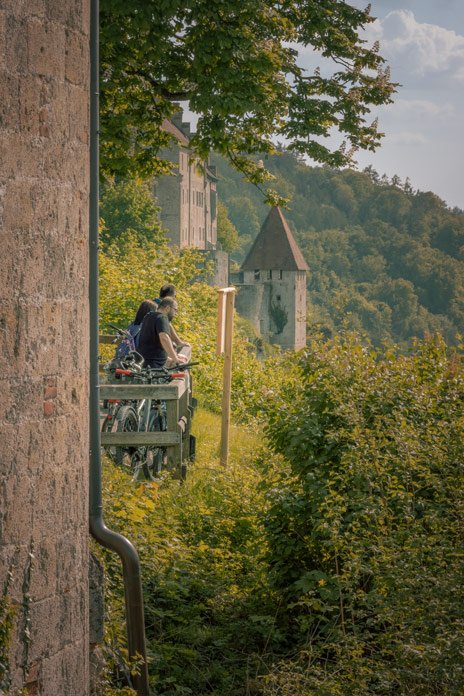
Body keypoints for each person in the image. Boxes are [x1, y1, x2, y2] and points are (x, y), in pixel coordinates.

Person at [138, 297, 189, 368]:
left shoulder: (149, 316)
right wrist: (175, 359)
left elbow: (150, 345)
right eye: (175, 310)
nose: (175, 313)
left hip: (145, 363)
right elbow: (164, 338)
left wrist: (170, 358)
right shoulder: (162, 318)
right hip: (154, 367)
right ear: (167, 308)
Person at [153, 283, 191, 355]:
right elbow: (167, 325)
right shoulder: (162, 308)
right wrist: (178, 342)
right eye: (175, 295)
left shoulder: (152, 303)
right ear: (170, 296)